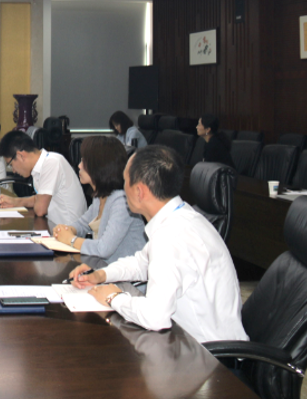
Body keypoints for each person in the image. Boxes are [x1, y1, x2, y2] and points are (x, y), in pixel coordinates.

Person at [70, 145, 249, 344]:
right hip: (189, 341)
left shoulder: (171, 237)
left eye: (125, 180)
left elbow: (155, 317)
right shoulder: (182, 217)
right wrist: (101, 275)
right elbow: (141, 263)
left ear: (139, 191)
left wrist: (114, 298)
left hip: (207, 354)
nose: (123, 187)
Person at [52, 136, 146, 262]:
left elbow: (103, 248)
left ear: (99, 166)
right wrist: (66, 230)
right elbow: (82, 224)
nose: (79, 166)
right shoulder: (100, 197)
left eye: (84, 161)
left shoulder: (122, 202)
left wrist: (70, 239)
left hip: (127, 273)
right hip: (106, 268)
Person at [0, 130, 85, 227]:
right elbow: (39, 198)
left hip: (71, 231)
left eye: (11, 164)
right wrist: (15, 201)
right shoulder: (39, 166)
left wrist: (25, 202)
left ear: (21, 156)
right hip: (55, 227)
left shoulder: (51, 163)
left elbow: (40, 209)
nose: (14, 171)